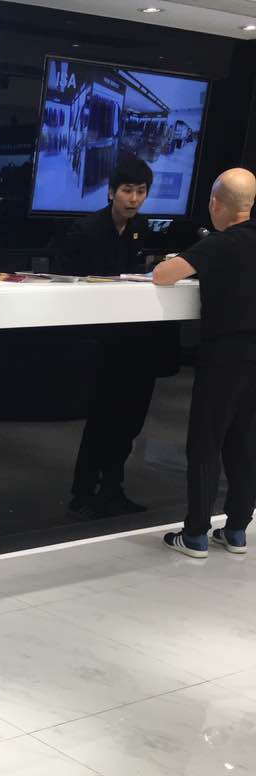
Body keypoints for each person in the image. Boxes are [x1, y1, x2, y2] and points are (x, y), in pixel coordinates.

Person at [153, 168, 256, 557]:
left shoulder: (219, 244)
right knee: (246, 442)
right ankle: (237, 529)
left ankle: (196, 532)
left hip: (225, 355)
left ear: (215, 203)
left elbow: (163, 275)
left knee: (206, 441)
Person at [58, 155, 163, 516]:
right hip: (97, 338)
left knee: (127, 419)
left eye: (141, 191)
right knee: (103, 417)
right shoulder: (86, 230)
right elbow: (67, 278)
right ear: (111, 192)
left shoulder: (141, 228)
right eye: (127, 191)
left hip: (131, 337)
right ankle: (85, 491)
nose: (134, 199)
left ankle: (110, 488)